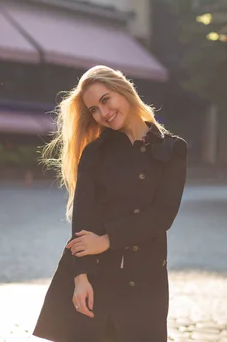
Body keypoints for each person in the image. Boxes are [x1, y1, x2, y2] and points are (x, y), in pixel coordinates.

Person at [32, 65, 188, 342]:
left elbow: (162, 216)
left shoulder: (172, 149)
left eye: (106, 100)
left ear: (123, 91)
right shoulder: (95, 153)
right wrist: (80, 278)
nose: (103, 113)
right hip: (95, 276)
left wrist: (107, 239)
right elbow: (83, 217)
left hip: (144, 278)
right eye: (93, 109)